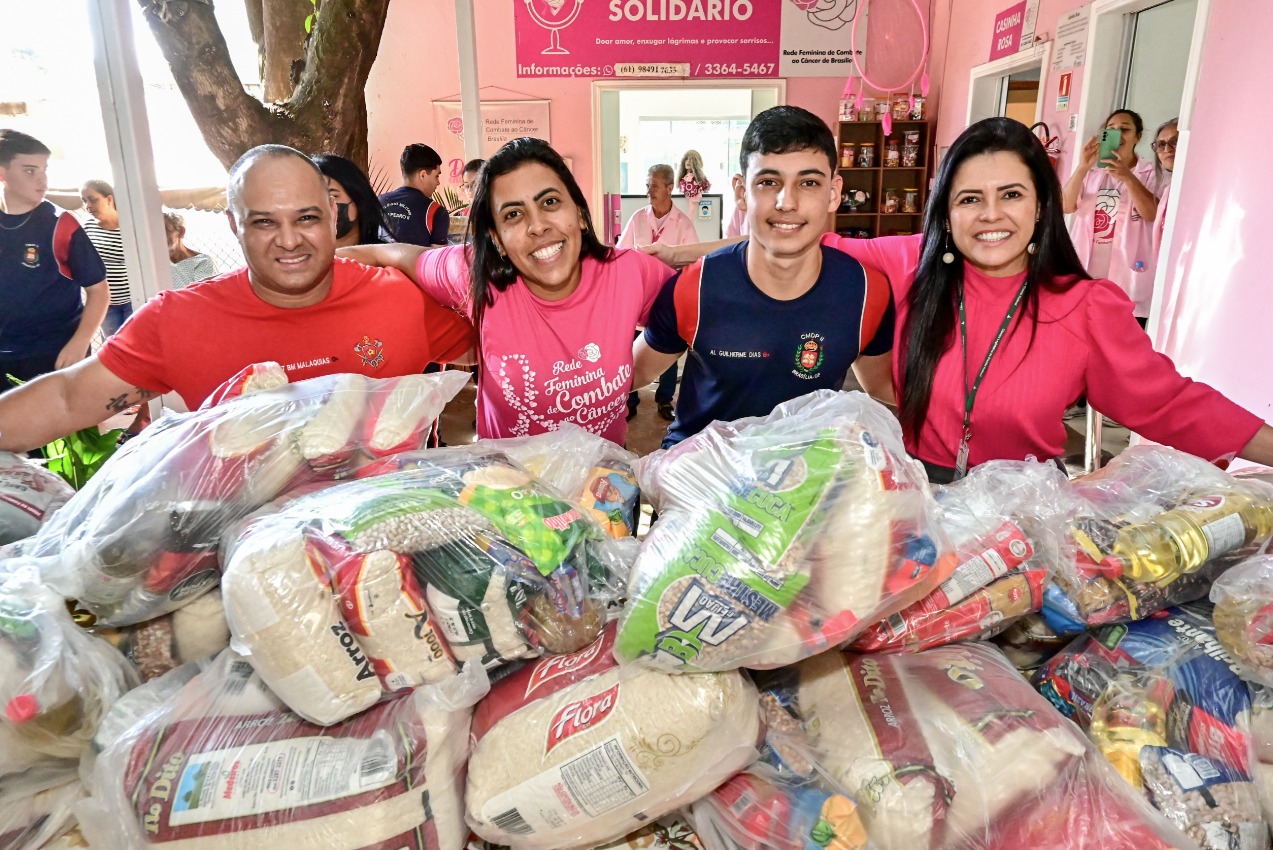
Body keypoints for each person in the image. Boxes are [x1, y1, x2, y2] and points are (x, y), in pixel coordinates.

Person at [655, 118, 1273, 479]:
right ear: (946, 214)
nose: (991, 216)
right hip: (912, 502)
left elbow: (1172, 404)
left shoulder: (1086, 307)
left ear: (1041, 205)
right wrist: (662, 258)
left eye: (1011, 195)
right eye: (970, 198)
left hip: (1022, 512)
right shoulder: (906, 269)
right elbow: (794, 232)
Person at [0, 144, 475, 453]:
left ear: (333, 216)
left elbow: (500, 351)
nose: (289, 240)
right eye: (264, 222)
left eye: (306, 218)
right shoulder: (179, 319)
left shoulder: (396, 298)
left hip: (398, 566)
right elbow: (65, 399)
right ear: (234, 225)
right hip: (243, 581)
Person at [340, 137, 674, 446]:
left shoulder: (629, 272)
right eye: (513, 214)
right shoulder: (472, 274)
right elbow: (400, 255)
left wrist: (632, 370)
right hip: (505, 493)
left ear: (579, 213)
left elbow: (689, 309)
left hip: (604, 491)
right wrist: (324, 262)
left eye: (551, 202)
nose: (537, 225)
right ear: (496, 237)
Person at [632, 105, 894, 449]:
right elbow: (630, 376)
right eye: (769, 182)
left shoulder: (866, 292)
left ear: (833, 192)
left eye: (809, 182)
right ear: (741, 192)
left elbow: (882, 392)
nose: (787, 202)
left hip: (804, 482)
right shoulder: (695, 288)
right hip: (698, 478)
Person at [0, 130, 107, 385]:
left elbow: (99, 291)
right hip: (4, 355)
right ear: (2, 173)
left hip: (56, 353)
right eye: (29, 171)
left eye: (44, 170)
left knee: (64, 426)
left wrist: (79, 344)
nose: (42, 179)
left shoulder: (61, 223)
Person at [1062, 109, 1165, 320]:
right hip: (1088, 267)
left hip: (1127, 271)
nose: (1118, 134)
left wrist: (1128, 177)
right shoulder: (1091, 173)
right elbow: (1065, 205)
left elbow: (1151, 213)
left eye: (1125, 130)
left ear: (1138, 137)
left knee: (1121, 329)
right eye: (1111, 130)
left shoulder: (1151, 174)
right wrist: (1082, 167)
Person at [617, 163, 699, 421]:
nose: (648, 191)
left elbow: (693, 261)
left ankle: (664, 398)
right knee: (630, 345)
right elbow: (621, 252)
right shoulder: (638, 218)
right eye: (647, 185)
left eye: (654, 185)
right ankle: (630, 398)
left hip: (668, 294)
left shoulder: (683, 224)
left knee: (666, 345)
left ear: (669, 187)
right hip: (638, 294)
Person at [80, 180, 134, 336]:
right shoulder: (88, 226)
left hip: (132, 299)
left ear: (109, 199)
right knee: (113, 346)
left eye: (93, 199)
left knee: (135, 343)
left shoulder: (130, 226)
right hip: (103, 303)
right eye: (84, 201)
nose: (88, 205)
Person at [313, 153, 393, 247]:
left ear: (359, 199)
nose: (320, 205)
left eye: (332, 195)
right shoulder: (301, 259)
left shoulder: (387, 257)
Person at [378, 143, 449, 247]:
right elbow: (436, 259)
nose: (438, 182)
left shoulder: (376, 203)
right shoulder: (436, 211)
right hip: (415, 263)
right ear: (423, 175)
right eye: (436, 176)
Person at [162, 212, 217, 289]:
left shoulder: (203, 262)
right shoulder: (156, 265)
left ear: (181, 232)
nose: (159, 235)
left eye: (165, 230)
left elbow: (204, 294)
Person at [1150, 118, 1179, 261]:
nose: (1167, 149)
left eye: (1175, 141)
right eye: (1161, 145)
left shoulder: (1197, 188)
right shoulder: (1169, 189)